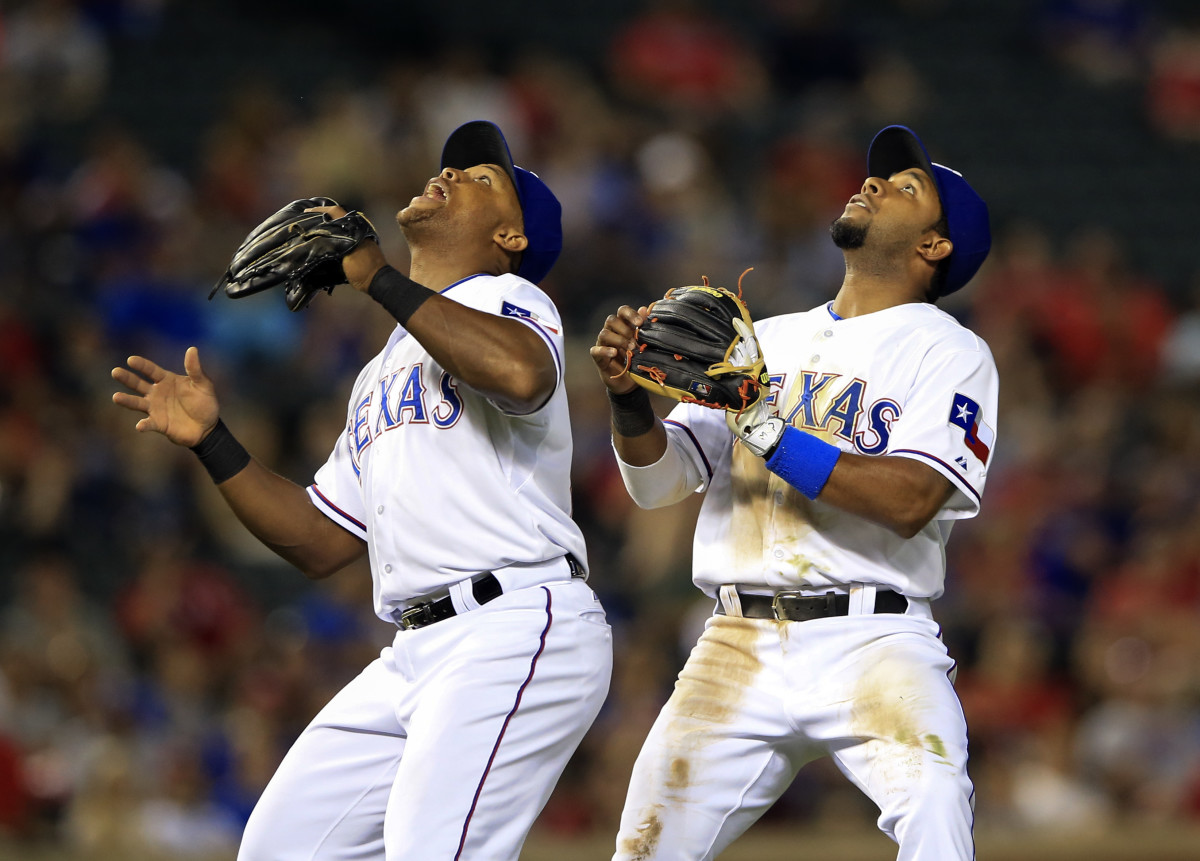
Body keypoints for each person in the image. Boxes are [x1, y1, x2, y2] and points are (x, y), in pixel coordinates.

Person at [113, 120, 613, 861]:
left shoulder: (512, 297)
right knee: (279, 848)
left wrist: (377, 276)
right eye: (454, 167)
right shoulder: (382, 370)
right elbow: (319, 539)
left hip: (515, 622)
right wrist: (212, 443)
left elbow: (521, 374)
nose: (451, 175)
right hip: (415, 649)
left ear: (511, 236)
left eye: (482, 179)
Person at [590, 125, 996, 860]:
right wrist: (625, 396)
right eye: (878, 177)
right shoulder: (764, 337)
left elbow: (912, 500)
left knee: (937, 812)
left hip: (872, 637)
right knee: (643, 848)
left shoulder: (950, 350)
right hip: (735, 640)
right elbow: (659, 481)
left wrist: (768, 428)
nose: (873, 183)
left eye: (906, 188)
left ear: (934, 247)